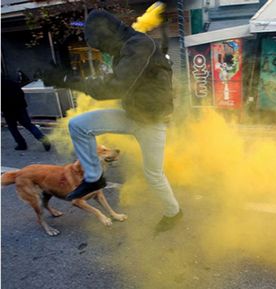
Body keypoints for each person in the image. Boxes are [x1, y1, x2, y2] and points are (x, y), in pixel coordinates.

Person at [42, 8, 182, 232]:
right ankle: (94, 178)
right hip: (132, 115)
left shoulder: (139, 45)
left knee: (153, 175)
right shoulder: (124, 50)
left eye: (100, 44)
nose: (102, 50)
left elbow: (117, 86)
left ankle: (174, 213)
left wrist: (71, 80)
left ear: (108, 35)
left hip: (152, 122)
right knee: (78, 125)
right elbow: (115, 81)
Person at [1, 75, 51, 151]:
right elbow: (21, 93)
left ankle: (21, 144)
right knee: (29, 125)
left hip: (8, 110)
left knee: (12, 127)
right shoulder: (11, 82)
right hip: (20, 107)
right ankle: (44, 140)